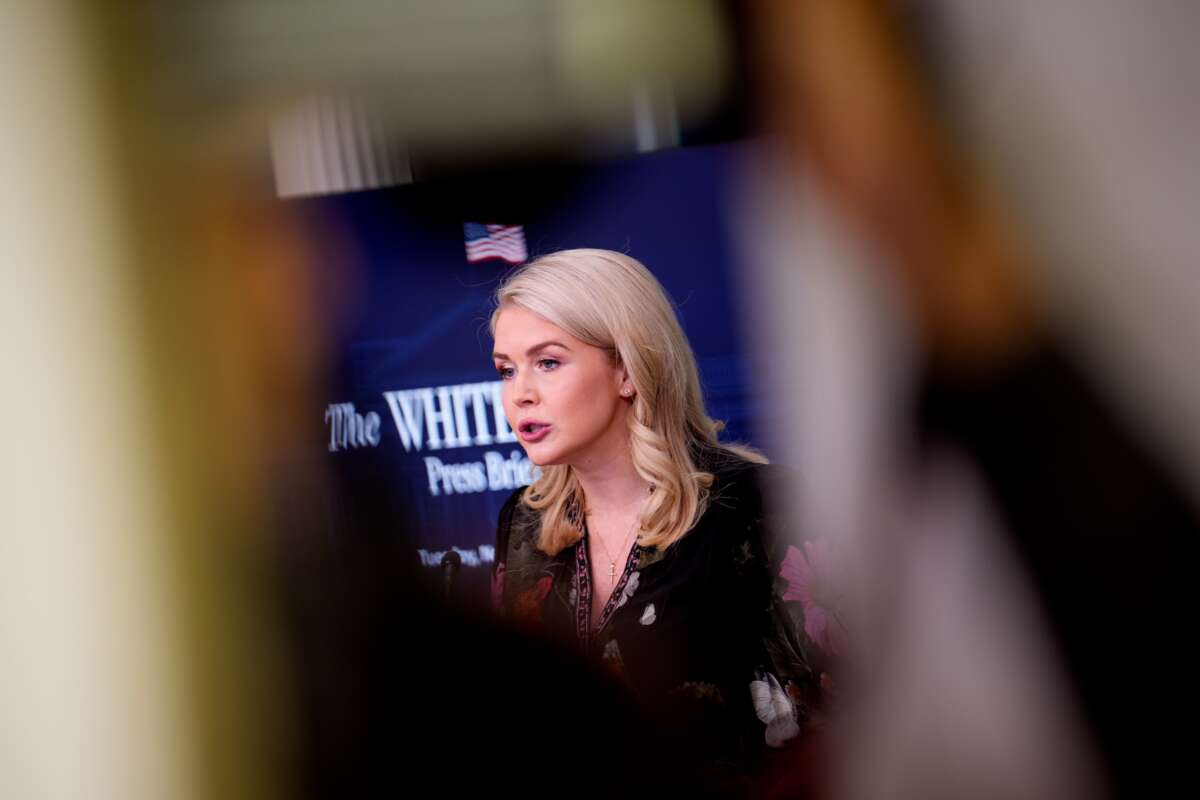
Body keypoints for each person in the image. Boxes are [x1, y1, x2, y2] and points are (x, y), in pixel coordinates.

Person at [488, 248, 832, 789]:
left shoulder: (754, 501)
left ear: (626, 368)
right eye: (506, 370)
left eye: (548, 362)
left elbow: (840, 712)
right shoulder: (524, 524)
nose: (520, 395)